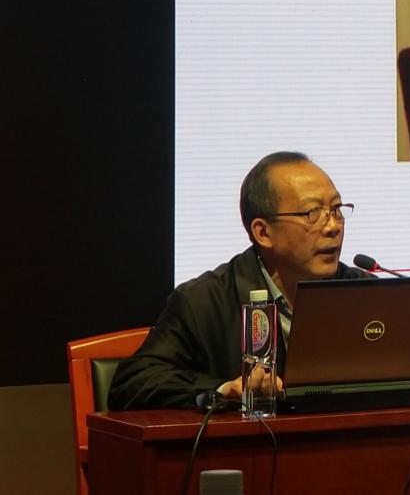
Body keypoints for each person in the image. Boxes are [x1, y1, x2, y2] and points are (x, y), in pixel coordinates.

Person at [108, 151, 368, 409]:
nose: (333, 226)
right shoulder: (204, 302)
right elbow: (134, 382)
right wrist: (223, 390)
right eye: (313, 213)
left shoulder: (364, 293)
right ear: (263, 232)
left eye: (336, 209)